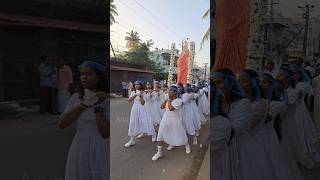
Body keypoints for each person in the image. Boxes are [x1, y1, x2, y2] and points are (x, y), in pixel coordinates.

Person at [59, 61, 109, 180]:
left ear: (99, 78)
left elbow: (105, 132)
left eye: (89, 74)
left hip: (99, 147)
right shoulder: (76, 98)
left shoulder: (106, 101)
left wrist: (98, 105)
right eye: (82, 74)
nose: (84, 77)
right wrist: (83, 105)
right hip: (79, 145)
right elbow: (62, 124)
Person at [212, 68, 253, 180]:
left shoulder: (242, 104)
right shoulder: (215, 103)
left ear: (230, 83)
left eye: (219, 82)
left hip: (233, 150)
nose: (215, 87)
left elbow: (233, 131)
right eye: (213, 83)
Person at [152, 86, 189, 161]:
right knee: (160, 135)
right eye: (168, 91)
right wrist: (166, 100)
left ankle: (186, 144)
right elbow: (162, 107)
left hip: (175, 120)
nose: (168, 92)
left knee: (179, 134)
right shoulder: (168, 99)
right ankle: (159, 152)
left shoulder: (179, 101)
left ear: (175, 92)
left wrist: (168, 100)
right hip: (165, 119)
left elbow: (171, 108)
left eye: (170, 91)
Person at [124, 81, 156, 147]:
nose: (136, 85)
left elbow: (143, 103)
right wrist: (136, 94)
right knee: (133, 123)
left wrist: (140, 95)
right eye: (135, 84)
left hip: (143, 109)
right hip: (135, 109)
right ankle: (132, 140)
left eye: (138, 84)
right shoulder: (133, 92)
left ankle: (153, 134)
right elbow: (129, 100)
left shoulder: (144, 93)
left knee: (146, 121)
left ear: (140, 85)